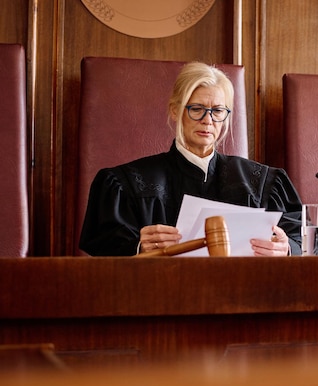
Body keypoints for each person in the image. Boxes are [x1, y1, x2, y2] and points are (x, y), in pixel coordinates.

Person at [79, 62, 302, 256]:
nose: (208, 120)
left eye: (218, 111)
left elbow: (301, 235)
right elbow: (103, 244)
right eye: (197, 109)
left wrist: (286, 248)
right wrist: (138, 246)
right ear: (175, 111)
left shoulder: (262, 183)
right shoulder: (126, 183)